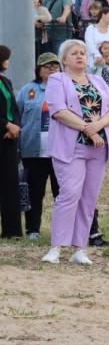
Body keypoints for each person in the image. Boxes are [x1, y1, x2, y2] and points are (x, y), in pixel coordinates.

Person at [40, 40, 109, 264]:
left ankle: (79, 249)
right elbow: (59, 111)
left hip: (99, 148)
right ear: (64, 59)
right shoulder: (58, 80)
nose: (79, 56)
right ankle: (56, 247)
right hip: (71, 147)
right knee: (69, 194)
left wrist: (98, 126)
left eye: (83, 53)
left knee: (88, 198)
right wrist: (88, 128)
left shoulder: (97, 80)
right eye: (74, 53)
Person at [18, 53, 62, 239]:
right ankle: (33, 230)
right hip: (33, 151)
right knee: (35, 192)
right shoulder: (27, 90)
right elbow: (18, 116)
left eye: (55, 65)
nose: (51, 68)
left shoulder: (66, 88)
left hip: (60, 152)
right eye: (47, 66)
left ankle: (63, 231)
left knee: (62, 194)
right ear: (38, 69)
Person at [0, 47, 22, 238]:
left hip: (8, 139)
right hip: (3, 132)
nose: (8, 62)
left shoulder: (5, 81)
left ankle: (12, 230)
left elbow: (14, 108)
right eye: (6, 59)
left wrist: (14, 126)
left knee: (10, 183)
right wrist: (5, 125)